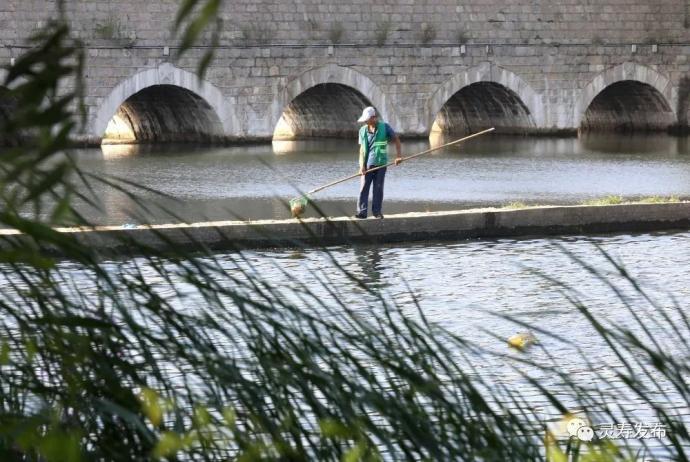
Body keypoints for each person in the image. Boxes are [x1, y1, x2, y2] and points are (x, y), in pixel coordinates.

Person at [354, 106, 402, 219]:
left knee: (378, 188)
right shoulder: (362, 131)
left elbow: (396, 140)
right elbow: (361, 150)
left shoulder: (385, 127)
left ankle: (377, 212)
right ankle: (362, 212)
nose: (365, 121)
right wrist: (361, 166)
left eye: (367, 119)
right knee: (364, 188)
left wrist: (399, 156)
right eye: (365, 120)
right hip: (367, 165)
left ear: (373, 118)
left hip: (381, 164)